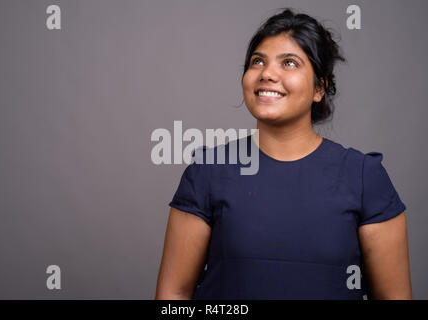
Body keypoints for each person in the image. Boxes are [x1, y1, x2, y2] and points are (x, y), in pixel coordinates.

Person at [155, 8, 412, 300]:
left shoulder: (365, 178)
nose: (267, 73)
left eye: (289, 63)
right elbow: (173, 295)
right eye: (257, 62)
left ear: (319, 88)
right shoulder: (207, 172)